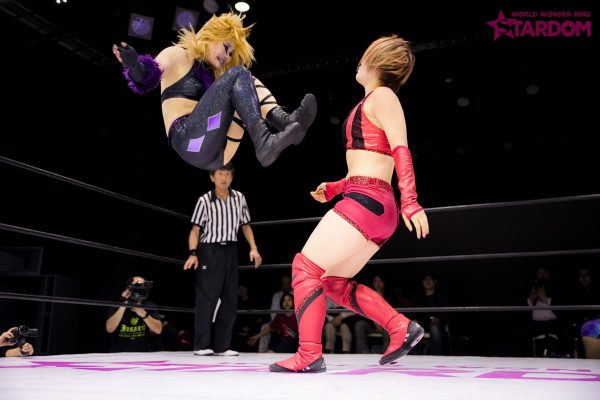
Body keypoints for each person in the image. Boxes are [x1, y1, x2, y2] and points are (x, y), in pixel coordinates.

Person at [270, 35, 429, 373]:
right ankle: (399, 327)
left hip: (368, 200)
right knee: (333, 283)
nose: (359, 62)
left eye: (365, 57)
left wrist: (411, 200)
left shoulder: (383, 96)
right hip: (371, 201)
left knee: (305, 268)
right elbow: (373, 160)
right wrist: (335, 188)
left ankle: (308, 354)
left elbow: (401, 149)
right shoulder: (375, 100)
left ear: (377, 62)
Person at [112, 12, 317, 170]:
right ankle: (264, 140)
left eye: (231, 53)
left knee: (246, 82)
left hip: (218, 152)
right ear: (212, 36)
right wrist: (134, 66)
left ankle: (285, 121)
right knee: (239, 74)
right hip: (189, 140)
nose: (227, 56)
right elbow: (148, 77)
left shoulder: (217, 82)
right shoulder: (178, 55)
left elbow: (238, 93)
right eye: (226, 47)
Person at [183, 162, 262, 356]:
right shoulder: (204, 200)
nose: (224, 177)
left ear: (232, 177)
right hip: (209, 249)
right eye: (220, 173)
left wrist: (253, 248)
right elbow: (195, 230)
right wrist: (193, 253)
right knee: (207, 297)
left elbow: (245, 225)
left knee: (229, 298)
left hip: (231, 250)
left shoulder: (239, 198)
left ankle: (222, 346)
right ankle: (202, 345)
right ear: (212, 177)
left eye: (227, 174)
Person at [105, 276, 163, 352]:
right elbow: (109, 329)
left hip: (142, 353)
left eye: (143, 285)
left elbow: (158, 330)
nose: (139, 288)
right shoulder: (117, 305)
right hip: (119, 353)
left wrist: (144, 315)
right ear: (129, 288)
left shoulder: (149, 306)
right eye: (136, 285)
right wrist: (123, 305)